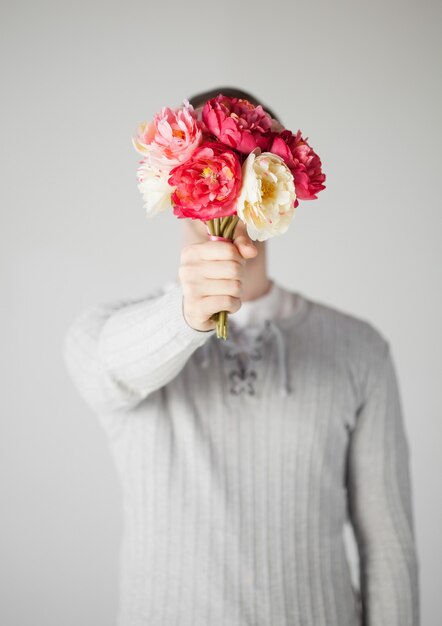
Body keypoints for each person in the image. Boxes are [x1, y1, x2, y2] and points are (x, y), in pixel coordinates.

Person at [63, 87, 420, 626]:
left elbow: (388, 551)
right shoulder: (107, 333)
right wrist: (185, 316)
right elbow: (109, 370)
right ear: (171, 180)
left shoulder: (358, 349)